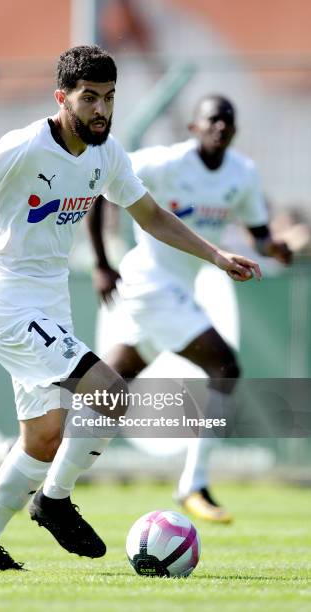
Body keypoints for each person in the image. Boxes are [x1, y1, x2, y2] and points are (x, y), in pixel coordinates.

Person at [0, 47, 261, 571]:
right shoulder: (25, 146)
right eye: (89, 98)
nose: (101, 109)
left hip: (49, 303)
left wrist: (215, 255)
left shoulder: (108, 155)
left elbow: (151, 216)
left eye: (109, 98)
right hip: (8, 305)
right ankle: (53, 501)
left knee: (43, 438)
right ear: (63, 99)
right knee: (110, 392)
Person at [87, 94, 291, 524]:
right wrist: (102, 262)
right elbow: (102, 184)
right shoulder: (166, 162)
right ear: (194, 127)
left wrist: (277, 247)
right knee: (225, 368)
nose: (221, 127)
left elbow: (258, 235)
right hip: (149, 283)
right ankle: (193, 484)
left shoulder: (243, 174)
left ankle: (37, 443)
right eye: (213, 120)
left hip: (176, 290)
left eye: (228, 122)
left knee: (108, 389)